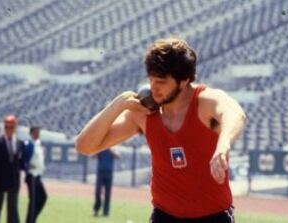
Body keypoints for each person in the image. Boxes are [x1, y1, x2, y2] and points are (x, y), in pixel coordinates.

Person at [75, 37, 246, 222]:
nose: (153, 89)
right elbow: (85, 146)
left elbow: (235, 114)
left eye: (161, 82)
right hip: (164, 216)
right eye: (151, 80)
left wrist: (223, 145)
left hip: (213, 217)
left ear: (183, 81)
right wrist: (118, 104)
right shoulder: (144, 112)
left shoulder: (204, 102)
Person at [0, 115, 25, 223]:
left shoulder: (20, 143)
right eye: (6, 127)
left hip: (13, 181)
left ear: (15, 128)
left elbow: (21, 163)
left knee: (13, 209)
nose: (8, 130)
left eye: (11, 127)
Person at [24, 126, 47, 223]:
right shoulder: (29, 144)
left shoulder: (38, 144)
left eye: (39, 131)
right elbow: (23, 159)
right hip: (32, 175)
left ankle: (32, 220)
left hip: (38, 175)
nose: (38, 133)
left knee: (42, 197)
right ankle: (30, 221)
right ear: (31, 133)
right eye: (36, 132)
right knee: (33, 201)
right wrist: (27, 166)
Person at [93, 149, 120, 217]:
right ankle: (96, 209)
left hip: (109, 173)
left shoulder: (112, 148)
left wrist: (111, 150)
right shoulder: (101, 148)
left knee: (107, 194)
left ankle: (106, 212)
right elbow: (93, 156)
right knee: (98, 191)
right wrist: (98, 151)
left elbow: (118, 156)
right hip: (100, 172)